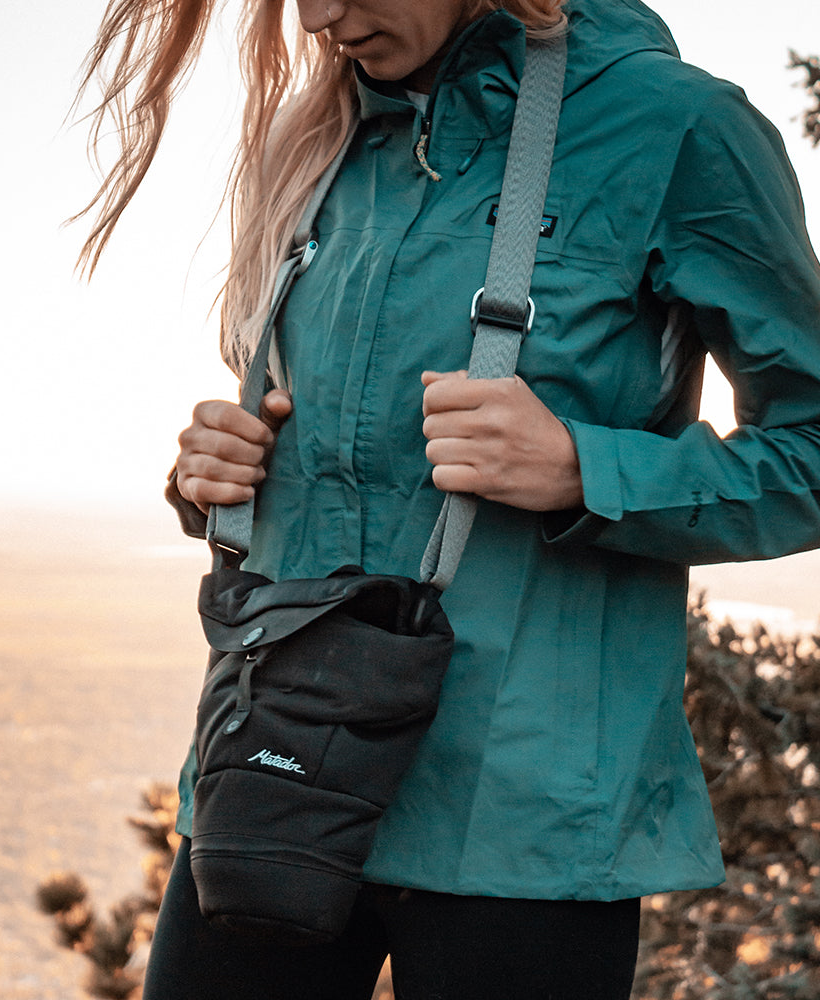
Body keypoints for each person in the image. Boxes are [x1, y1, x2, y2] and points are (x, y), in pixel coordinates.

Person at [76, 0, 820, 997]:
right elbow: (340, 448)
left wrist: (582, 470)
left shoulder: (675, 128)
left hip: (522, 828)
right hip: (273, 775)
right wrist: (216, 477)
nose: (316, 16)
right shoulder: (320, 135)